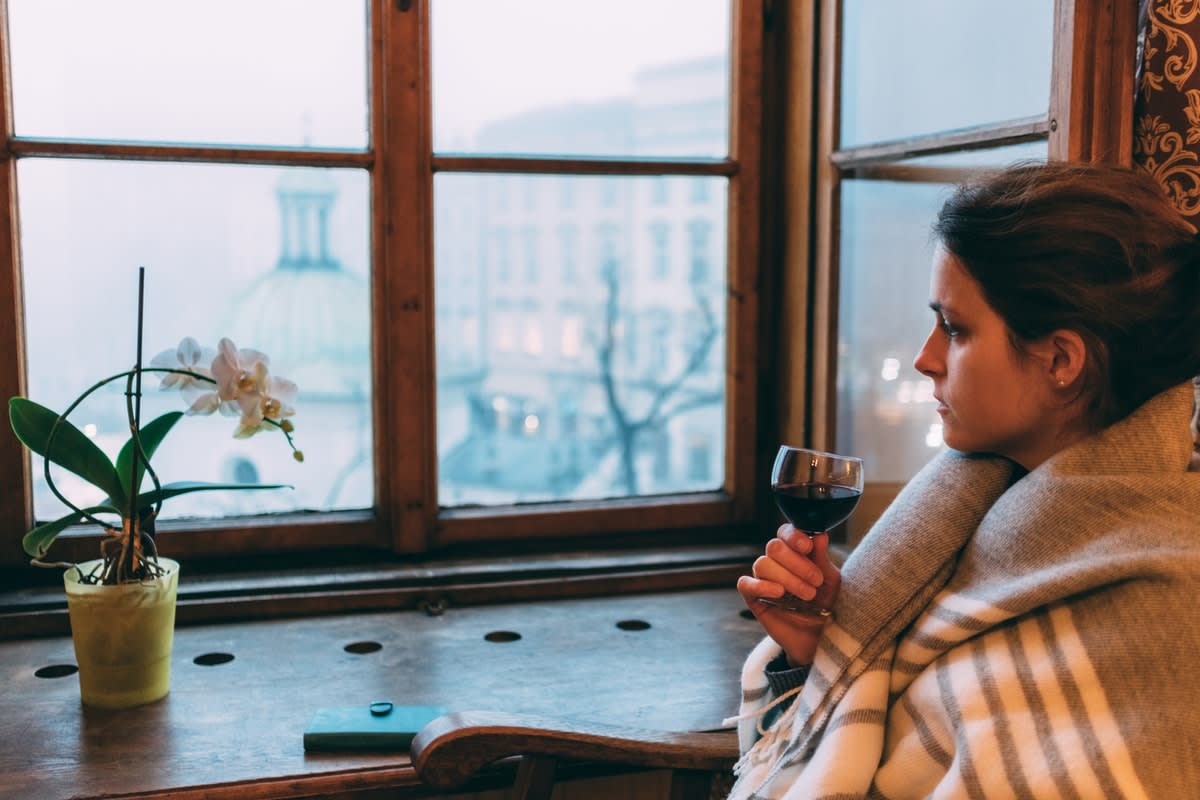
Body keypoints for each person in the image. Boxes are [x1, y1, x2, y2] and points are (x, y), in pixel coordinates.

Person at [727, 161, 1200, 799]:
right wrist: (822, 652)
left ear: (1061, 359)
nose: (925, 359)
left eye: (955, 329)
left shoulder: (1161, 598)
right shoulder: (974, 514)